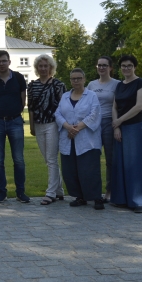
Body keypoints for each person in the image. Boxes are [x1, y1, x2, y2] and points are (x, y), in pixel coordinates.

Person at [0, 50, 30, 203]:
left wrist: (12, 113)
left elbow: (22, 101)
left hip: (15, 121)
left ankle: (20, 192)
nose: (1, 64)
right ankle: (2, 192)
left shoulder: (18, 78)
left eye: (4, 61)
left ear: (9, 62)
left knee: (18, 159)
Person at [110, 55, 142, 213]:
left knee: (136, 164)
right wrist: (116, 127)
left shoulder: (140, 83)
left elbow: (139, 106)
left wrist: (119, 121)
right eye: (123, 66)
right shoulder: (119, 85)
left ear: (134, 67)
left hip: (135, 126)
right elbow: (114, 106)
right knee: (121, 163)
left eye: (129, 65)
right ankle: (121, 199)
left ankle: (140, 201)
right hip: (120, 127)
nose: (126, 68)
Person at [55, 68, 104, 210]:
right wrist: (68, 127)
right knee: (71, 170)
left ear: (84, 79)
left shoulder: (91, 95)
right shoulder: (64, 96)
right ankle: (79, 196)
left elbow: (95, 114)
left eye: (78, 78)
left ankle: (96, 197)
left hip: (87, 139)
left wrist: (77, 128)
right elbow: (58, 114)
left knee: (89, 169)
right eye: (73, 79)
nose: (75, 81)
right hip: (68, 138)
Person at [27, 54, 66, 206]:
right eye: (40, 66)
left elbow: (64, 107)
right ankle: (59, 190)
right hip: (38, 124)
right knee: (48, 159)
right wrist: (31, 126)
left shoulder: (58, 85)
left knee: (51, 159)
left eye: (46, 66)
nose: (43, 69)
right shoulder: (32, 85)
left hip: (53, 124)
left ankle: (50, 193)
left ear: (51, 68)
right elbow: (30, 107)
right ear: (37, 68)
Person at [87, 56, 120, 203]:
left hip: (108, 123)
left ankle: (109, 190)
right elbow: (85, 103)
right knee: (92, 159)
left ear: (110, 68)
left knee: (110, 159)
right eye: (99, 65)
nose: (101, 68)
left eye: (105, 65)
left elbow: (118, 106)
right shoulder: (91, 85)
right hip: (93, 124)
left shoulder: (117, 84)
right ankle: (94, 192)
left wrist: (116, 125)